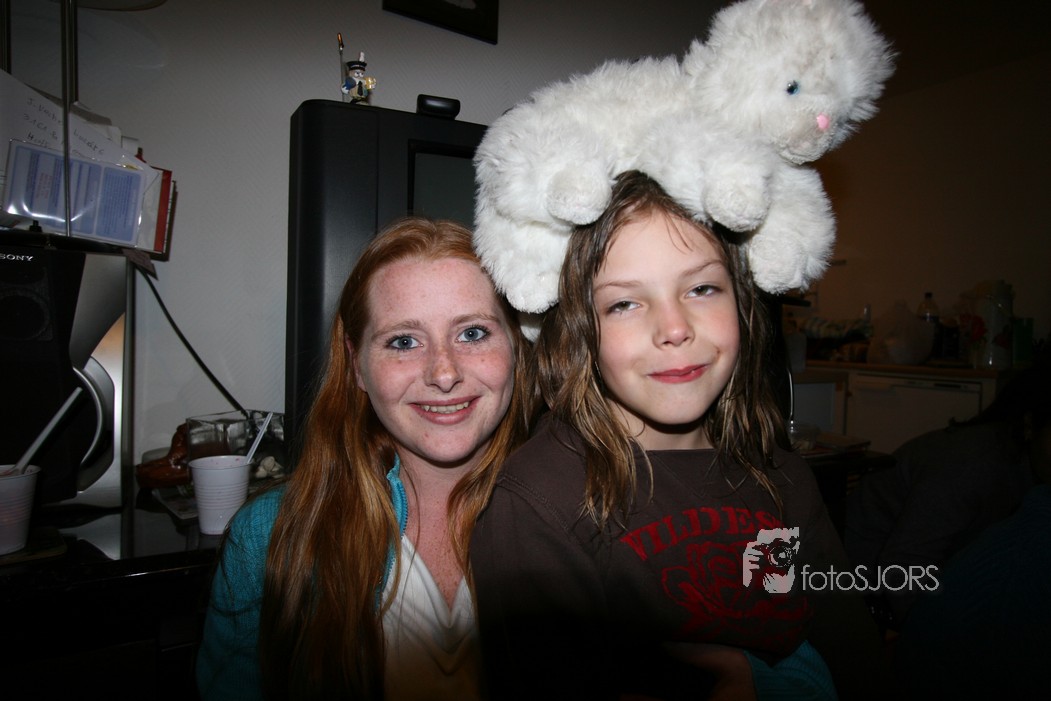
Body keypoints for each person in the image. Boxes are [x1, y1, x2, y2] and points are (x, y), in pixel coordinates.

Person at [471, 171, 886, 700]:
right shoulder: (539, 501)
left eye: (701, 288)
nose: (674, 328)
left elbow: (854, 660)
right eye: (624, 303)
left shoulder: (782, 477)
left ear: (743, 303)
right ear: (580, 331)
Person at [196, 217, 536, 700]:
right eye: (404, 341)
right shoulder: (269, 539)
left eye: (473, 333)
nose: (443, 373)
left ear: (517, 346)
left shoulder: (576, 516)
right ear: (356, 364)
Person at [843, 352, 1051, 629]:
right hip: (866, 583)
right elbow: (905, 565)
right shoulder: (972, 466)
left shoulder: (1029, 468)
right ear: (1029, 426)